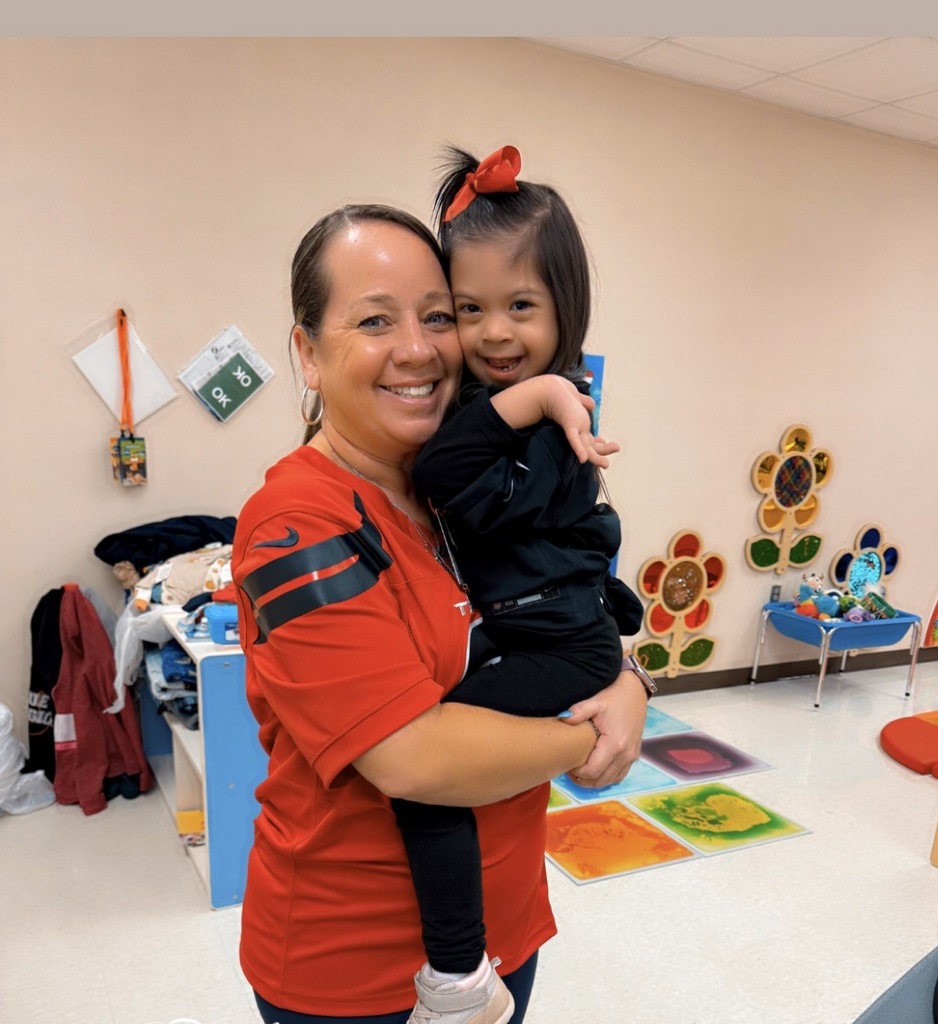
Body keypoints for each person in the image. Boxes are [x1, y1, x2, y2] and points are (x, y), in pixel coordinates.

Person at [232, 202, 650, 1024]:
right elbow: (413, 760)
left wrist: (627, 677)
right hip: (362, 976)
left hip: (508, 935)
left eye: (435, 316)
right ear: (308, 354)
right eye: (375, 320)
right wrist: (597, 731)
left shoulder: (453, 494)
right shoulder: (297, 525)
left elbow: (561, 603)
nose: (420, 348)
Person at [387, 145, 648, 1024]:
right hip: (539, 628)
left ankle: (456, 979)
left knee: (425, 770)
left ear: (564, 310)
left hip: (560, 642)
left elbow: (439, 474)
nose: (496, 333)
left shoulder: (552, 419)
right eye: (471, 309)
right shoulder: (497, 402)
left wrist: (534, 400)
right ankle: (462, 967)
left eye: (522, 306)